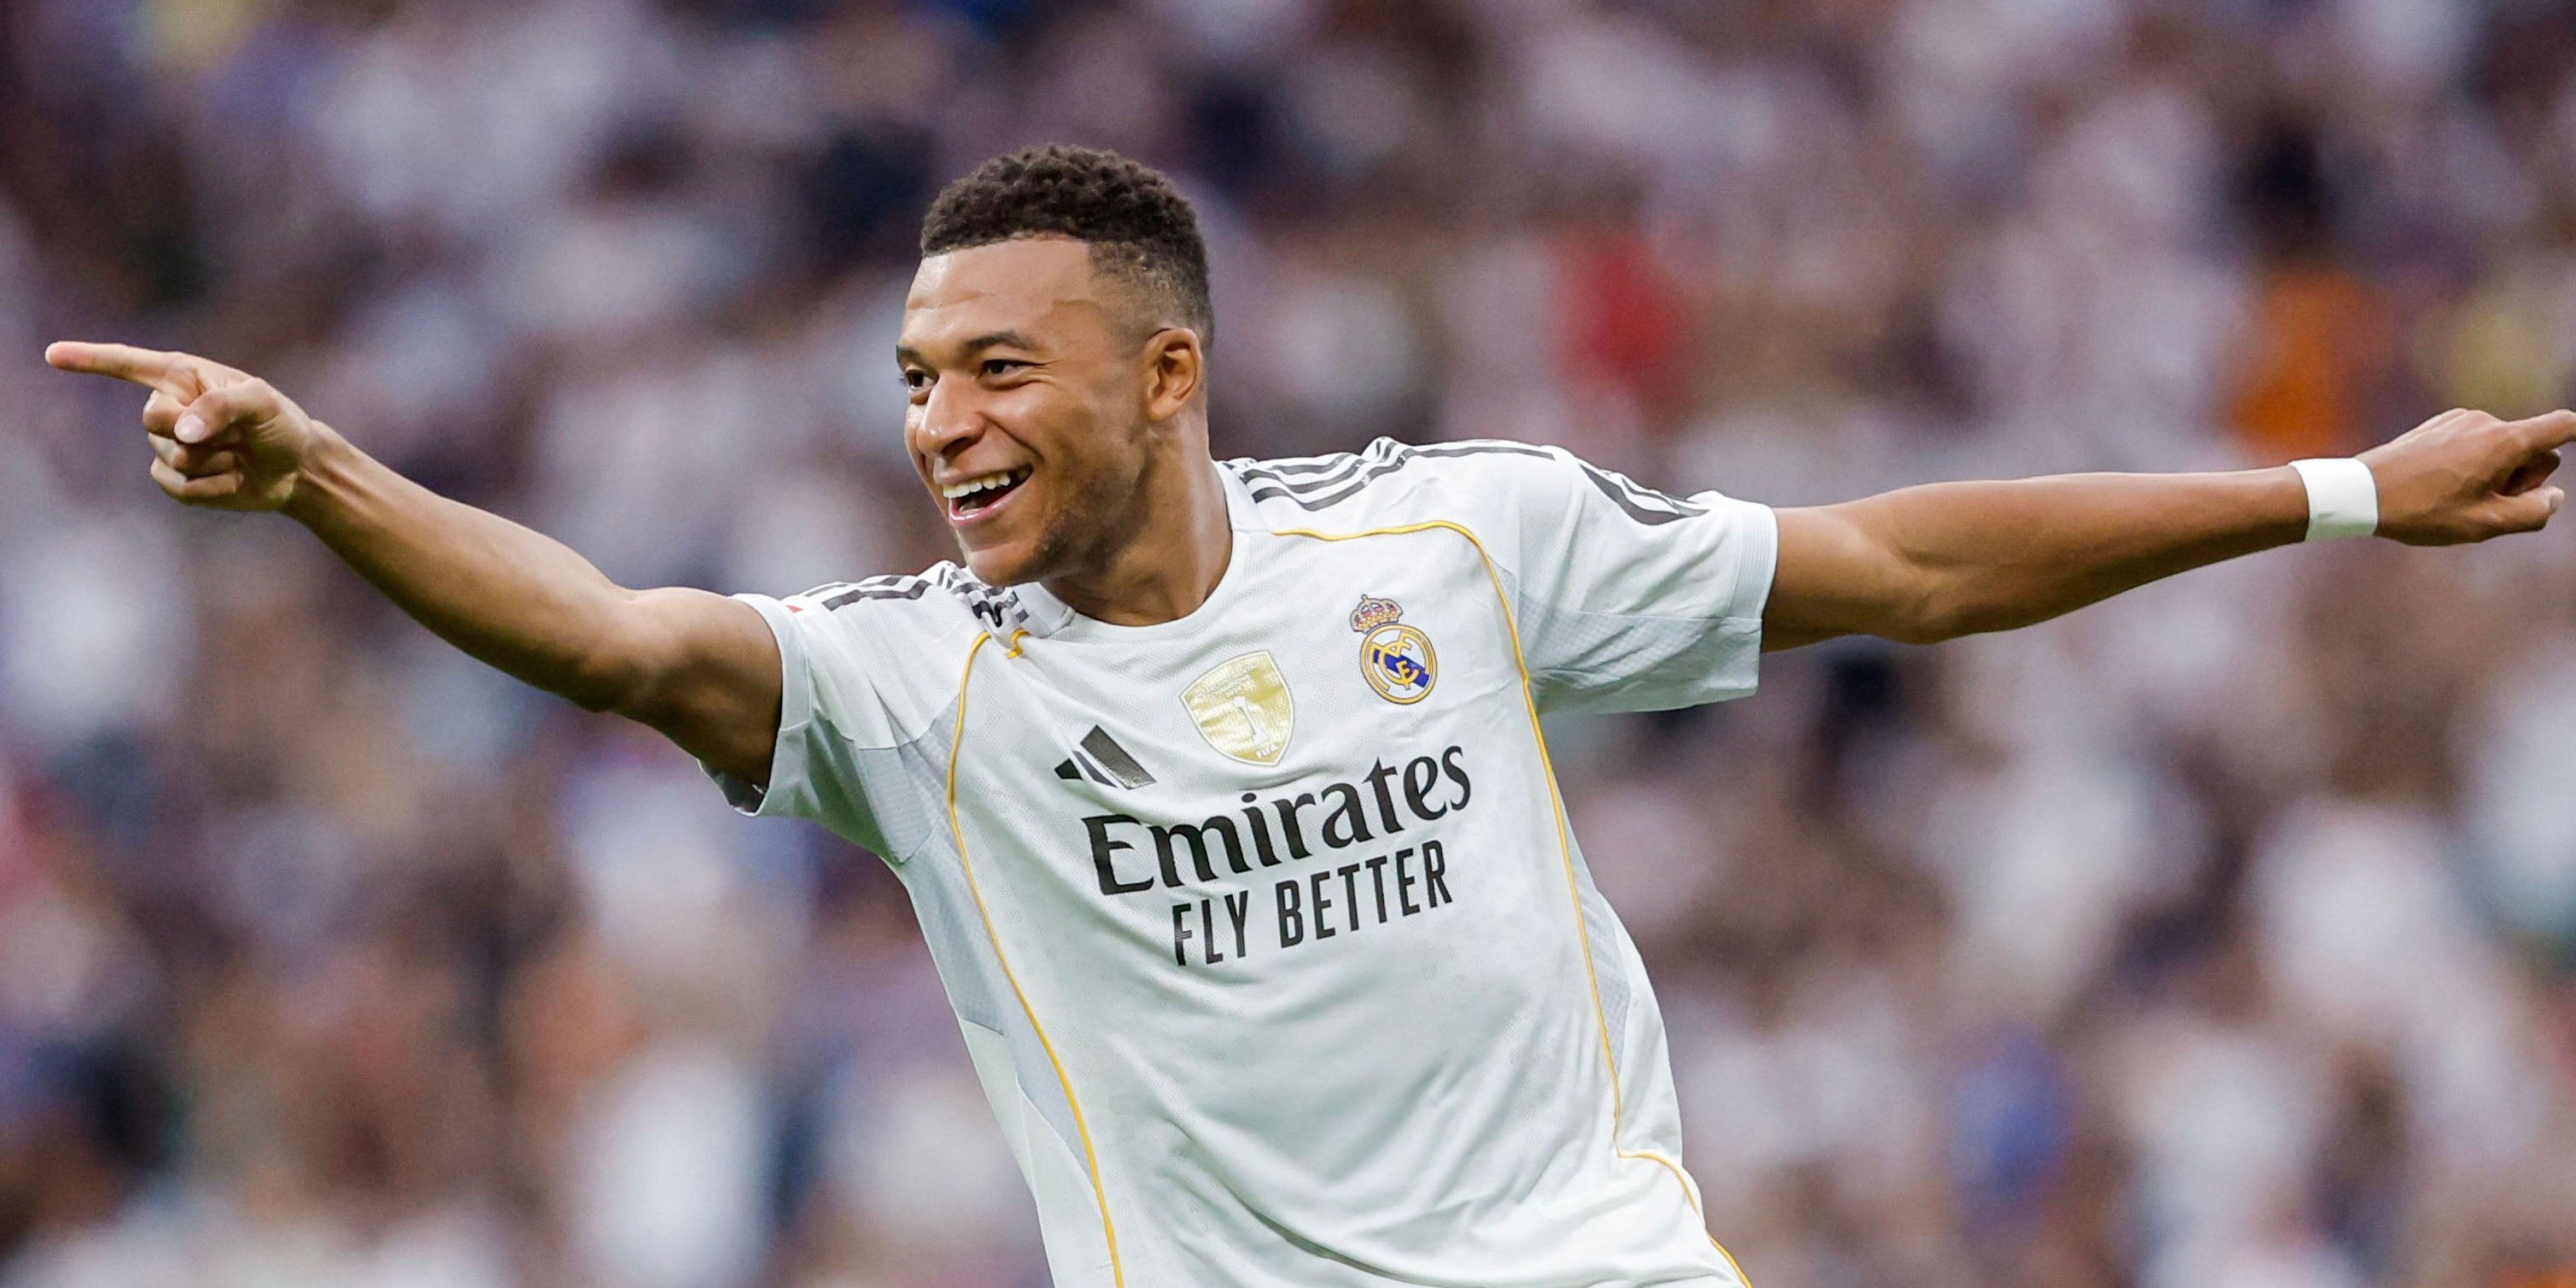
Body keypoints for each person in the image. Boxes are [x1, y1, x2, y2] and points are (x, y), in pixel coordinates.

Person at [44, 145, 2573, 1287]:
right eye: (916, 377)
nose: (939, 423)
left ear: (1167, 374)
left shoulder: (1457, 541)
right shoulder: (912, 686)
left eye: (997, 368)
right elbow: (610, 633)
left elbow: (1899, 561)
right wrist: (320, 477)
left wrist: (2343, 489)